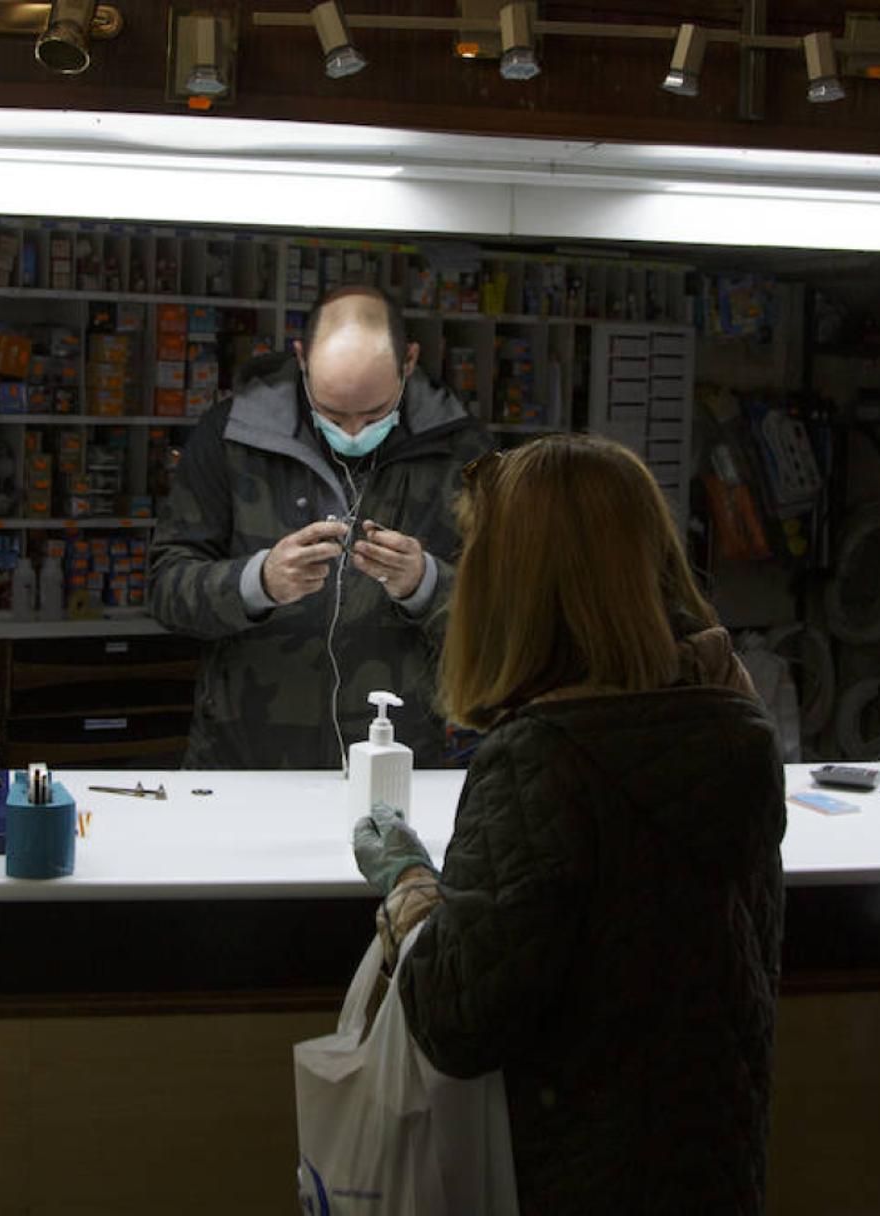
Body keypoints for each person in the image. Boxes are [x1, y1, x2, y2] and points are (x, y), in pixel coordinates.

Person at [350, 434, 785, 1212]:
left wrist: (409, 884)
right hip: (714, 1165)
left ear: (518, 585)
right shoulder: (739, 729)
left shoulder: (544, 761)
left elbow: (457, 1019)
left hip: (575, 1175)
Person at [147, 285, 491, 769]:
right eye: (332, 413)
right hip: (246, 755)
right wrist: (258, 583)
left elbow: (507, 616)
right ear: (302, 359)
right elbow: (164, 588)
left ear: (408, 362)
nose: (353, 432)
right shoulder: (232, 437)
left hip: (399, 757)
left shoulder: (463, 453)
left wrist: (425, 584)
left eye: (373, 413)